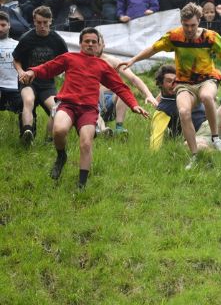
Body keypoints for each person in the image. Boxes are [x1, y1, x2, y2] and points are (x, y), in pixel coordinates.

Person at [18, 27, 149, 189]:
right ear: (80, 43)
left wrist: (134, 105)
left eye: (94, 42)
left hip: (88, 110)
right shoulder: (69, 58)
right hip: (67, 105)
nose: (90, 44)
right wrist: (33, 72)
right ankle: (61, 156)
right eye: (87, 41)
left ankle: (81, 185)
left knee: (86, 143)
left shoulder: (103, 65)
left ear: (99, 45)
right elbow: (48, 67)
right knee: (59, 131)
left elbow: (121, 87)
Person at [118, 3, 221, 168]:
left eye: (193, 25)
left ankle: (215, 138)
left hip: (206, 79)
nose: (189, 29)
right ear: (181, 22)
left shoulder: (210, 37)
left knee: (207, 96)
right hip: (185, 83)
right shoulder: (175, 36)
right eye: (186, 25)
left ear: (199, 21)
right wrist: (133, 60)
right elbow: (153, 49)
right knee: (184, 111)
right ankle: (194, 156)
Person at [12, 6, 68, 144]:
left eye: (45, 22)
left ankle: (49, 140)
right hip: (28, 81)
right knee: (28, 100)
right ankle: (28, 132)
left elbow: (66, 62)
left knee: (57, 109)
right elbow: (16, 59)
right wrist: (21, 72)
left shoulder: (57, 40)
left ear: (50, 21)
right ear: (34, 21)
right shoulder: (26, 38)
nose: (42, 26)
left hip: (47, 84)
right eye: (39, 22)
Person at [149, 64, 220, 151]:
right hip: (196, 137)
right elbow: (155, 142)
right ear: (161, 83)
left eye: (176, 81)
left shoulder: (188, 93)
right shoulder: (163, 110)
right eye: (169, 81)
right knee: (190, 146)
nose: (173, 84)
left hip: (212, 129)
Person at [0, 11, 22, 126]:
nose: (0, 28)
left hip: (14, 87)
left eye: (3, 25)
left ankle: (26, 133)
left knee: (25, 108)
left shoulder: (18, 44)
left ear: (9, 25)